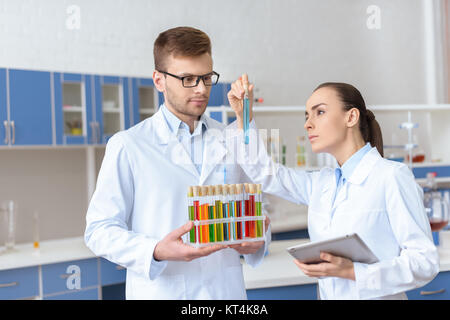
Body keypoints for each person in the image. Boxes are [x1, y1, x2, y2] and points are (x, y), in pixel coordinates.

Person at [84, 27, 270, 300]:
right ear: (159, 80)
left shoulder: (232, 140)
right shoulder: (128, 145)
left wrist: (257, 240)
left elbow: (256, 214)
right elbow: (99, 230)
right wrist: (156, 250)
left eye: (207, 77)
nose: (201, 89)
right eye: (188, 79)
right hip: (164, 291)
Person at [227, 78, 439, 299]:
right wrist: (245, 116)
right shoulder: (321, 182)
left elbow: (424, 262)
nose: (308, 123)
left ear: (351, 117)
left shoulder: (391, 177)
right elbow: (265, 173)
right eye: (307, 115)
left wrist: (353, 272)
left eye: (319, 112)